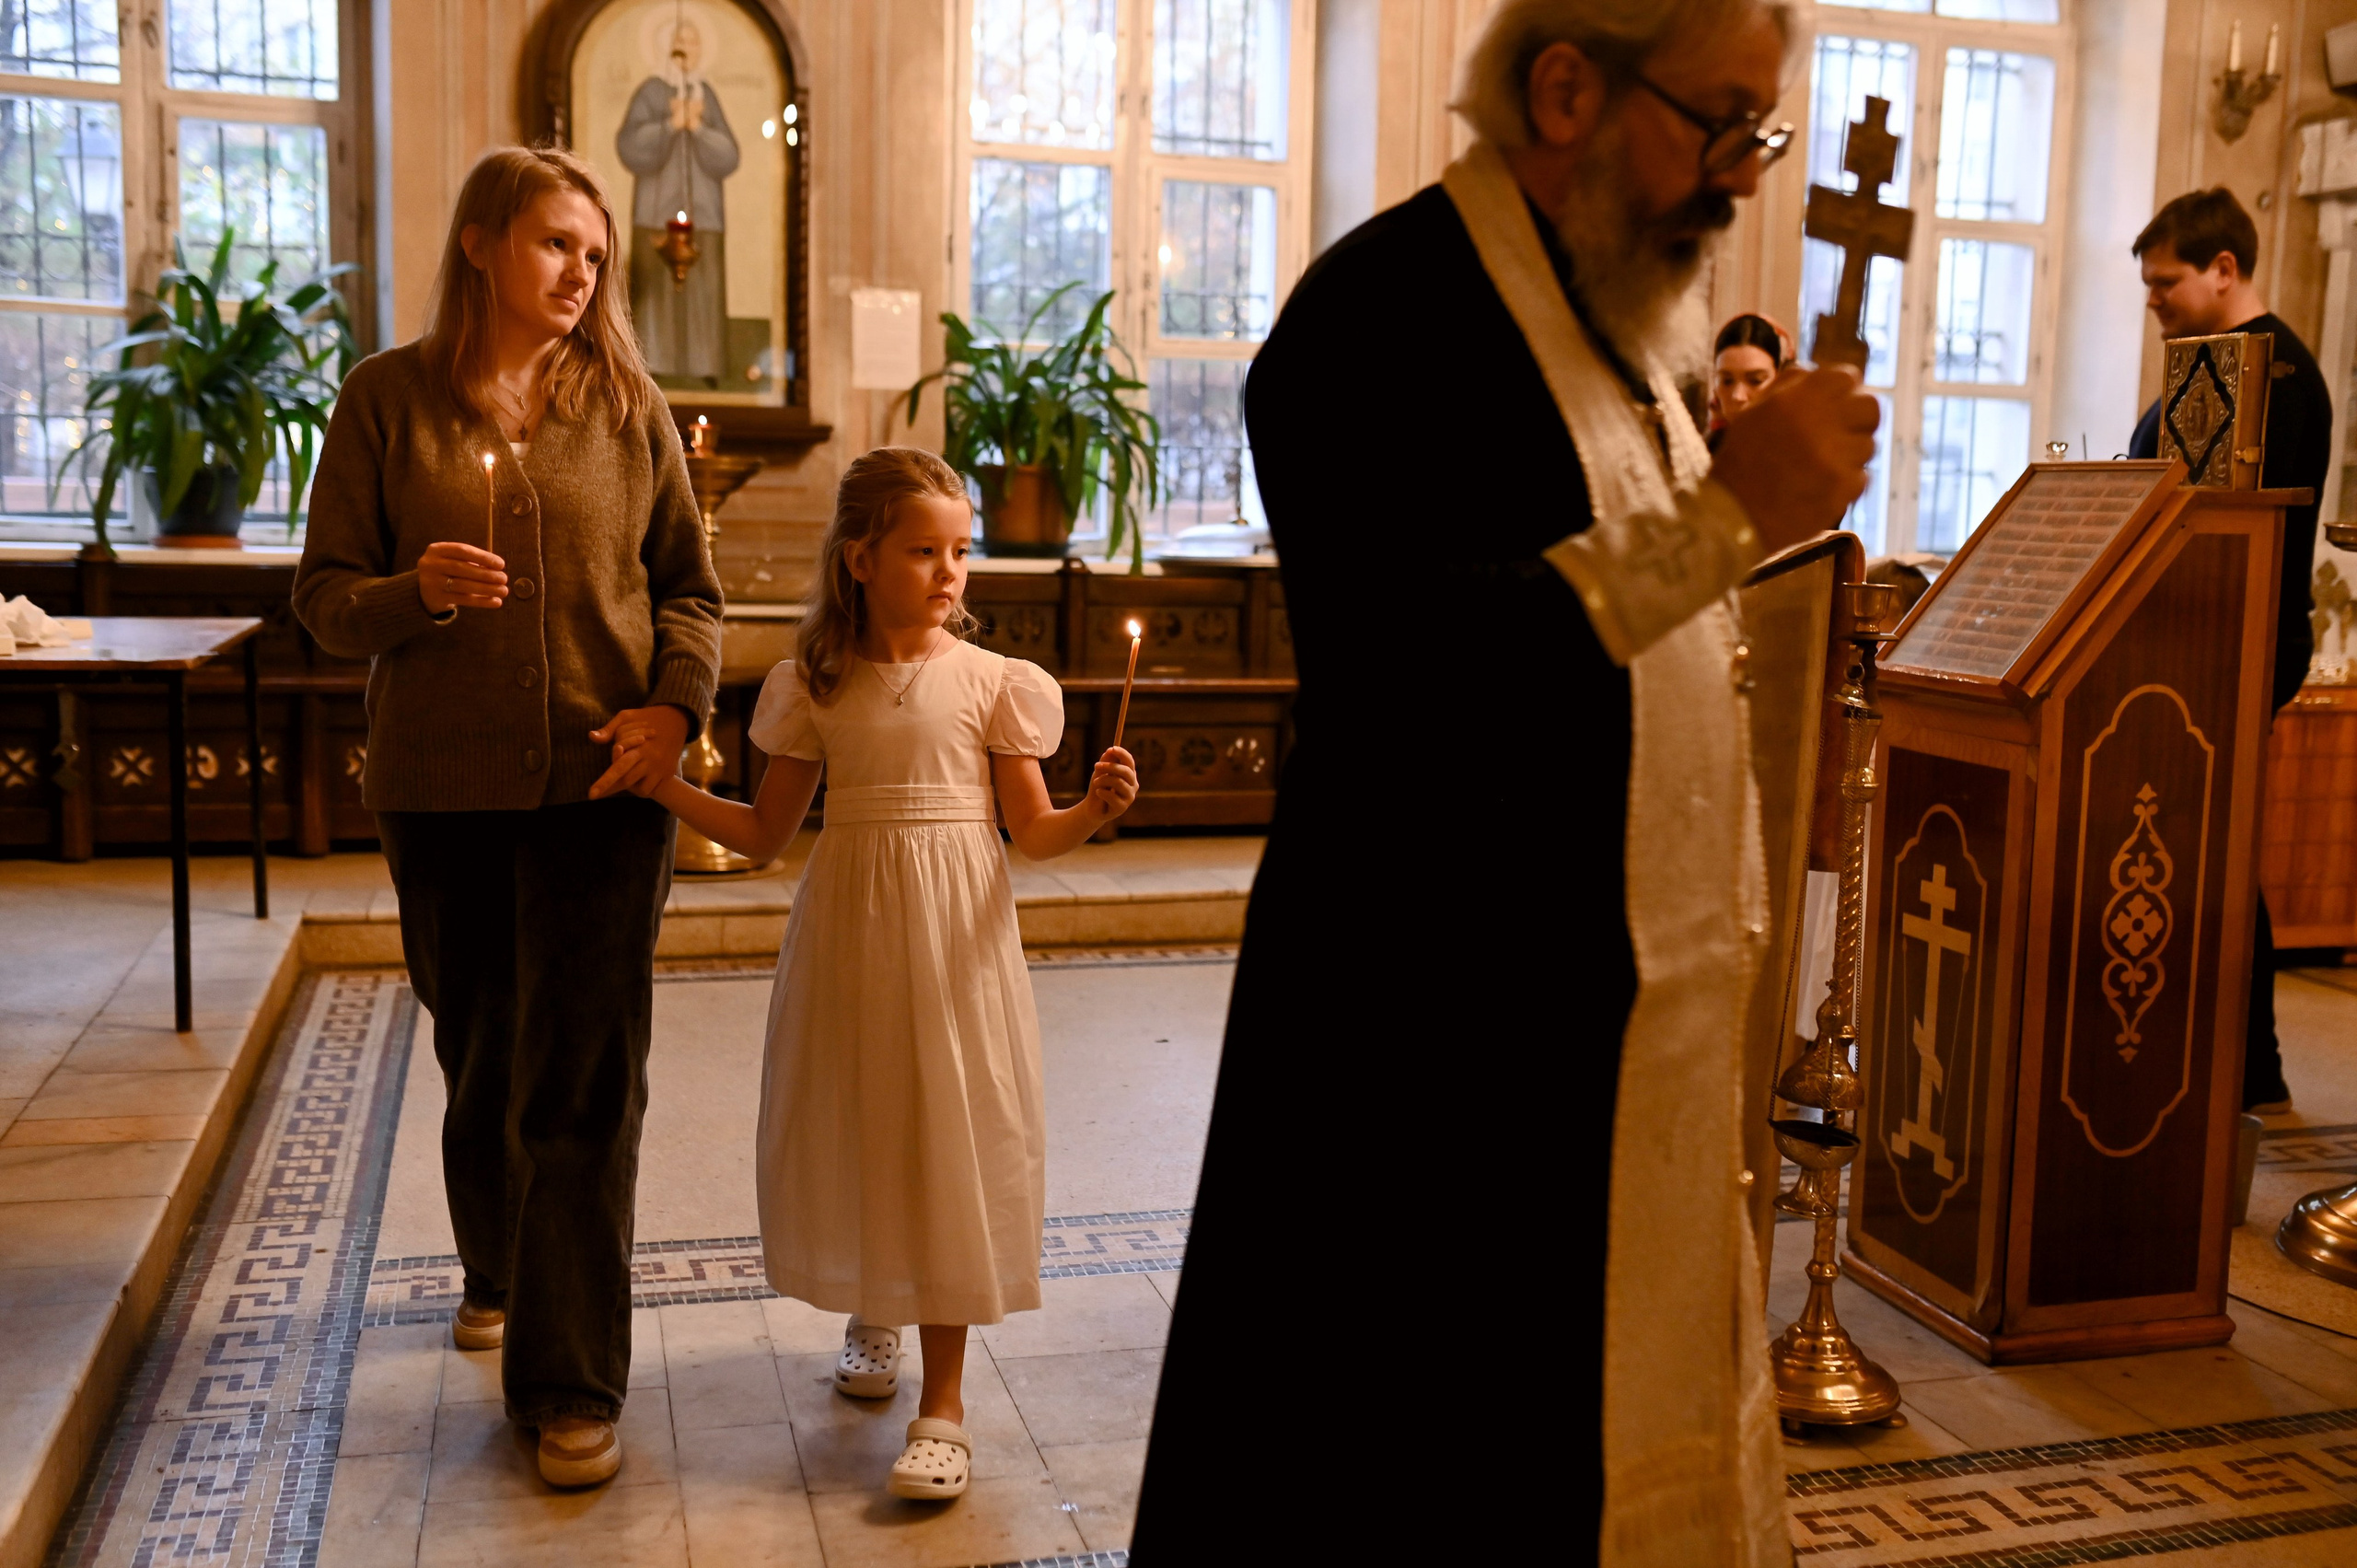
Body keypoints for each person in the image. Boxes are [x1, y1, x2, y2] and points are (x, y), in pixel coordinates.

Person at [1132, 1, 1877, 1562]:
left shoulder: (1621, 333)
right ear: (1565, 88)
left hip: (1599, 1066)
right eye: (1722, 123)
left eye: (1764, 132)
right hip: (1430, 1089)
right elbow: (1424, 677)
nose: (1743, 178)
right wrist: (1731, 516)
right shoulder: (1382, 319)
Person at [293, 145, 721, 1490]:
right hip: (443, 788)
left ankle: (570, 1378)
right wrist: (411, 589)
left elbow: (692, 591)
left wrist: (676, 710)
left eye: (593, 254)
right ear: (481, 242)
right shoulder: (385, 401)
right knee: (482, 1057)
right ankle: (494, 1258)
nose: (581, 272)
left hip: (607, 787)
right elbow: (321, 596)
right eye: (555, 244)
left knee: (584, 1085)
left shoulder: (630, 402)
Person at [624, 447, 1140, 1501]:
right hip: (851, 932)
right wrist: (665, 787)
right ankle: (876, 1305)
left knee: (950, 1127)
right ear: (860, 558)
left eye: (963, 550)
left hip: (957, 936)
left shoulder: (996, 684)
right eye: (924, 550)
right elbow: (766, 833)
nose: (951, 571)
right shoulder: (813, 682)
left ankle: (942, 1401)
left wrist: (1092, 809)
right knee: (866, 1118)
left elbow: (1031, 833)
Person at [2127, 186, 2328, 1115]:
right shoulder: (2206, 367)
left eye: (2166, 281)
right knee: (2192, 841)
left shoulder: (2277, 376)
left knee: (2219, 843)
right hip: (2184, 637)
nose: (2153, 299)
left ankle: (2253, 1065)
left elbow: (2241, 525)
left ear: (2223, 268)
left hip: (2240, 639)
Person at [618, 14, 740, 384]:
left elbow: (729, 155)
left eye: (693, 42)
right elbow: (631, 147)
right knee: (655, 300)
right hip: (655, 216)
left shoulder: (707, 97)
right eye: (678, 42)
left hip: (705, 219)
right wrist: (670, 125)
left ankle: (706, 368)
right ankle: (650, 370)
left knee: (703, 295)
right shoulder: (650, 93)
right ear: (663, 48)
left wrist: (699, 128)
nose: (685, 51)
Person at [1708, 309, 1791, 441]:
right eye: (1727, 381)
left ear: (1779, 379)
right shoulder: (1701, 453)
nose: (1738, 396)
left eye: (1755, 381)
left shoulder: (1800, 449)